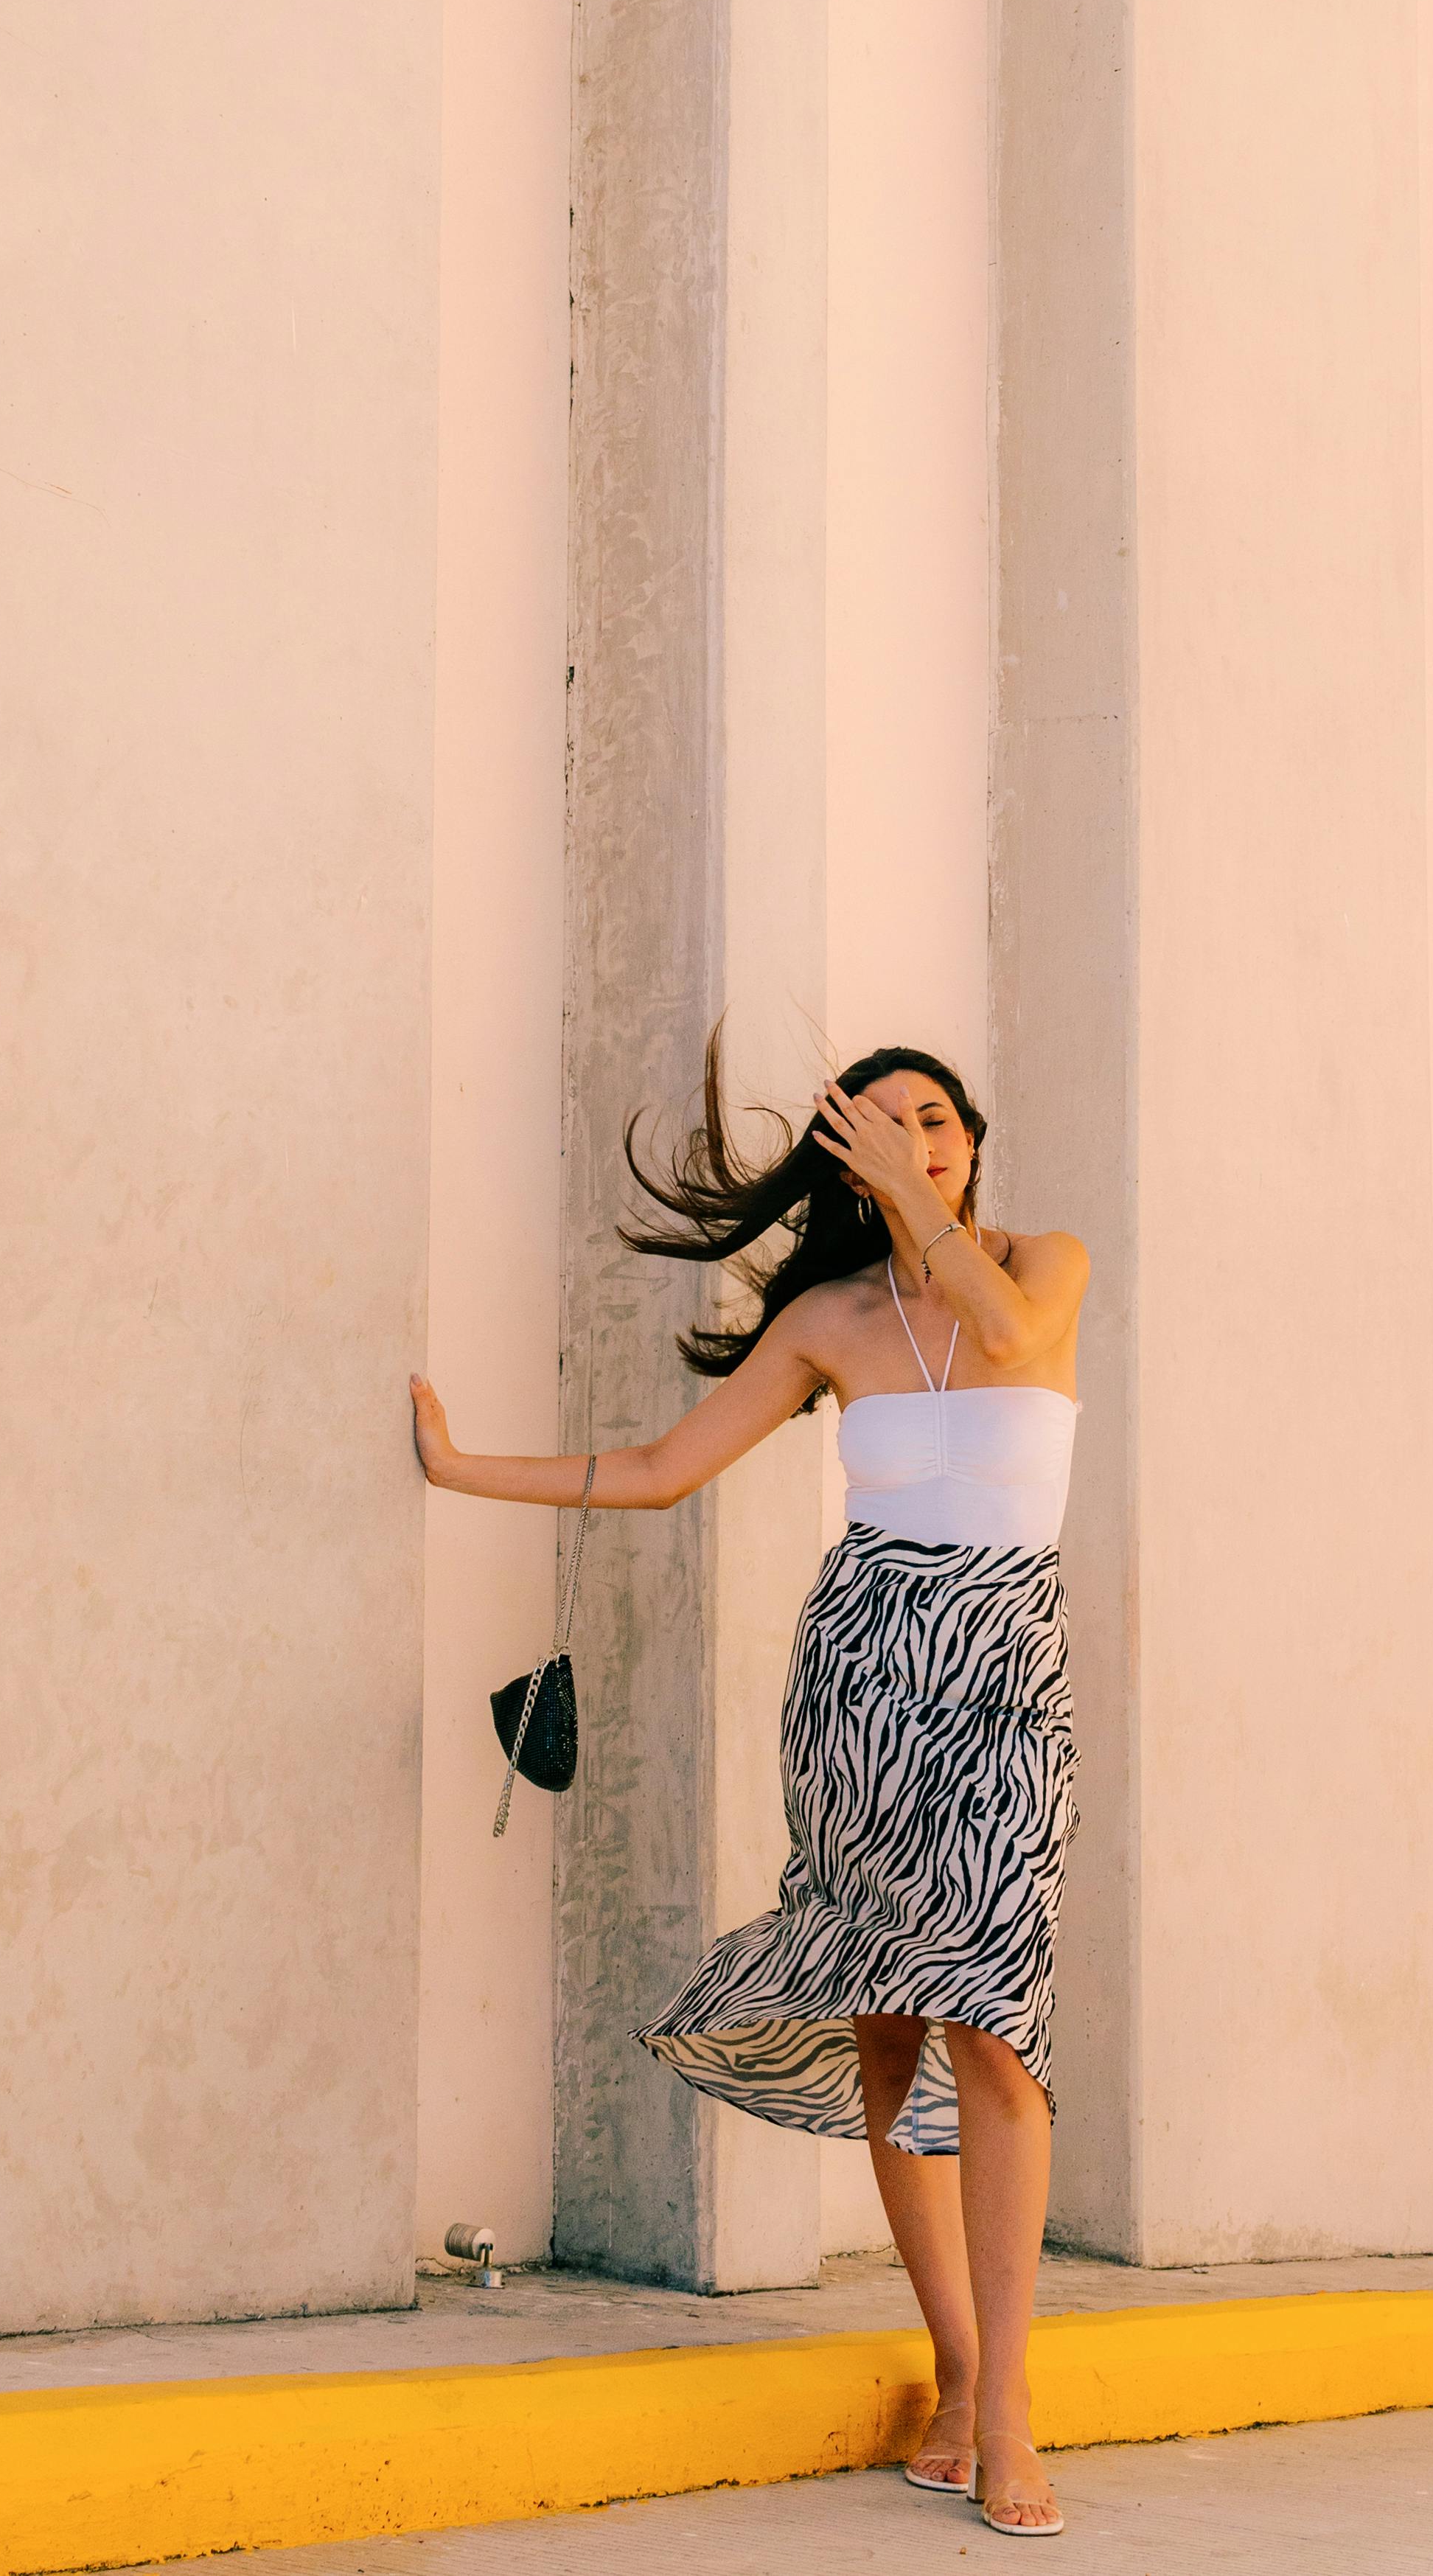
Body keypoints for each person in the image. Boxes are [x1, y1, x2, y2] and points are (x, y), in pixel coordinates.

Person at [411, 1036, 1089, 2539]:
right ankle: (960, 2376)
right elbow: (661, 1467)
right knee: (892, 2035)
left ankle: (1015, 2415)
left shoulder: (1041, 1262)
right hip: (861, 1674)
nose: (916, 1141)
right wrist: (467, 1474)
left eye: (934, 1121)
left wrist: (914, 1211)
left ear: (969, 1142)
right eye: (882, 1126)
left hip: (1004, 1678)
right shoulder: (827, 1319)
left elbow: (1013, 1340)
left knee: (997, 2024)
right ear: (846, 1159)